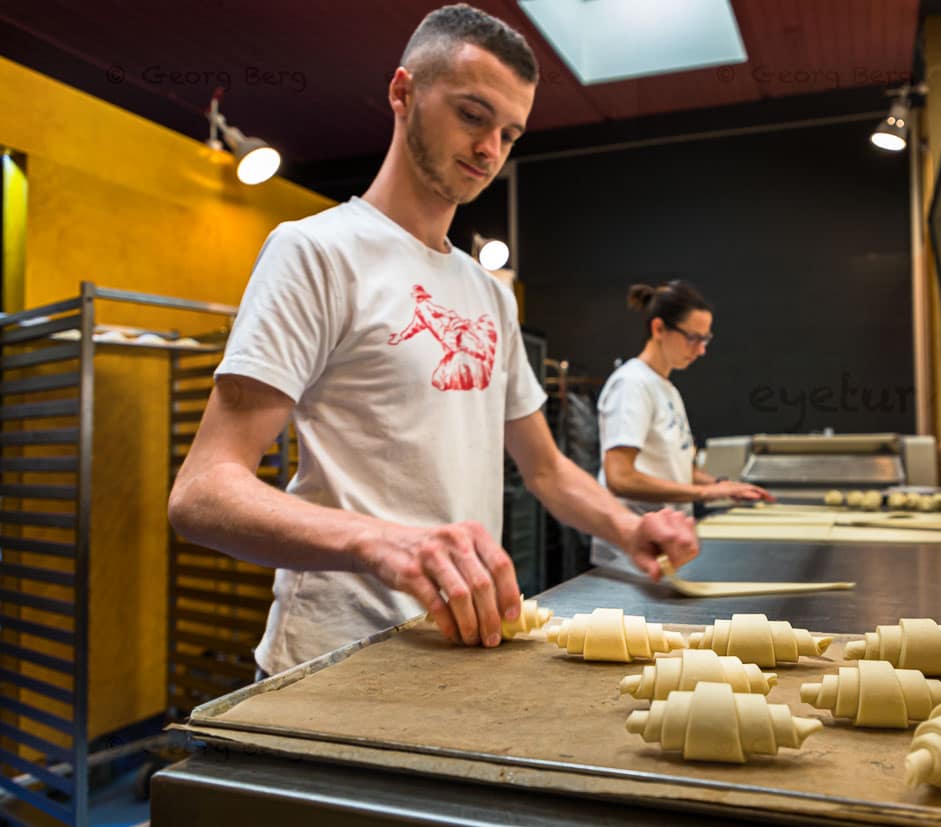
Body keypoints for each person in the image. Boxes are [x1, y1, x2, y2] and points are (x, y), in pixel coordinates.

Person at [167, 4, 698, 678]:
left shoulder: (489, 294)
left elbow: (544, 468)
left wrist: (629, 529)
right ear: (403, 92)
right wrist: (384, 543)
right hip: (332, 660)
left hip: (458, 650)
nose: (490, 149)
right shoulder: (318, 252)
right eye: (473, 115)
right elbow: (203, 491)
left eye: (509, 133)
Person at [592, 282, 771, 571]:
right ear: (659, 329)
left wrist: (720, 486)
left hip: (668, 543)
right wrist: (705, 494)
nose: (701, 350)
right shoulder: (632, 384)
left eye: (705, 339)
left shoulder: (668, 390)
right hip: (633, 550)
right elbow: (620, 477)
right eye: (693, 338)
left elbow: (677, 468)